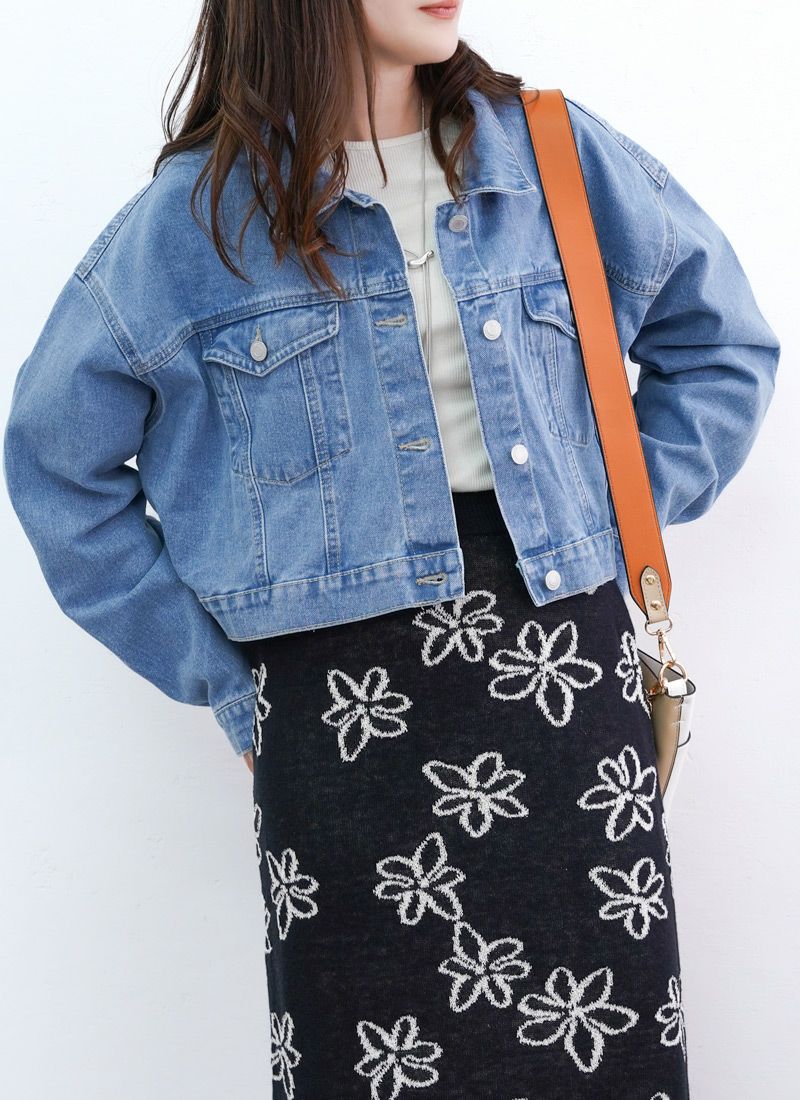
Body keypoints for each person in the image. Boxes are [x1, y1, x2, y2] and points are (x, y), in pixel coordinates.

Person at [3, 1, 780, 1096]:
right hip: (340, 720)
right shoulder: (196, 222)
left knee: (602, 1052)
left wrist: (601, 510)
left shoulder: (548, 152)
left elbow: (723, 344)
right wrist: (220, 679)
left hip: (562, 683)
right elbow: (55, 465)